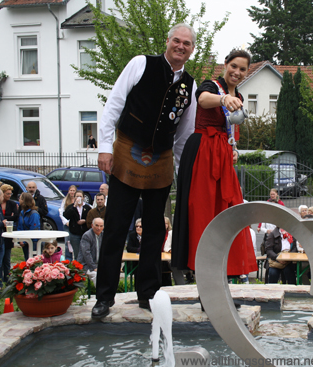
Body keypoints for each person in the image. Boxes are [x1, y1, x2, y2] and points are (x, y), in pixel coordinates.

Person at [93, 23, 198, 318]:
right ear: (167, 41)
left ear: (192, 49)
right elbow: (114, 103)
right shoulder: (141, 63)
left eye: (186, 43)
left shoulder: (189, 85)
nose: (180, 46)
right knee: (115, 228)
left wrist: (181, 171)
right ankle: (104, 298)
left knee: (154, 230)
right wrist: (104, 146)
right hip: (126, 152)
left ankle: (148, 294)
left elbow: (184, 135)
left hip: (161, 162)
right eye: (176, 40)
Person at [171, 48, 257, 283]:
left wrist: (233, 150)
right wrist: (223, 98)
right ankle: (203, 280)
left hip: (223, 158)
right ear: (225, 64)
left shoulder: (238, 94)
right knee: (203, 213)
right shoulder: (212, 87)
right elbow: (202, 99)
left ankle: (224, 281)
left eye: (242, 69)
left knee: (229, 213)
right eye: (234, 66)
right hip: (203, 155)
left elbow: (230, 132)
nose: (237, 72)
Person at [63, 191, 90, 261]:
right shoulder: (71, 207)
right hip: (74, 233)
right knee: (77, 252)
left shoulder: (87, 207)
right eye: (77, 196)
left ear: (83, 198)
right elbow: (66, 216)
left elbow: (91, 218)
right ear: (74, 197)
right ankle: (78, 267)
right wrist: (74, 206)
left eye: (80, 196)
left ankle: (85, 266)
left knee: (86, 251)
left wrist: (85, 221)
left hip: (85, 232)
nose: (79, 198)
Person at [0, 184, 19, 283]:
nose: (9, 196)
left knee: (7, 258)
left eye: (10, 194)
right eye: (7, 194)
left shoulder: (12, 204)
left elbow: (16, 216)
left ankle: (7, 278)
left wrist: (5, 219)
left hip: (8, 231)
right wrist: (7, 217)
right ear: (2, 194)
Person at [78, 218, 105, 287]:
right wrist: (93, 267)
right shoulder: (87, 236)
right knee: (96, 275)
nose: (99, 228)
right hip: (87, 265)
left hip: (100, 264)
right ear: (92, 225)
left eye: (101, 226)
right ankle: (101, 294)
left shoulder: (104, 235)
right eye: (97, 225)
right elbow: (86, 253)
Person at [17, 192, 41, 260]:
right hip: (25, 241)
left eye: (20, 198)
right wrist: (20, 239)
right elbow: (20, 226)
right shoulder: (22, 212)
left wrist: (25, 241)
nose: (19, 200)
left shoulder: (34, 214)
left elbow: (34, 230)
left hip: (33, 243)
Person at [59, 185, 77, 254]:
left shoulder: (77, 200)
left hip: (75, 225)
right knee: (67, 243)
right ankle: (68, 260)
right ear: (68, 191)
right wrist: (66, 222)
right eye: (71, 190)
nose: (72, 192)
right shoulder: (65, 200)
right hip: (67, 225)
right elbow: (61, 212)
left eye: (73, 190)